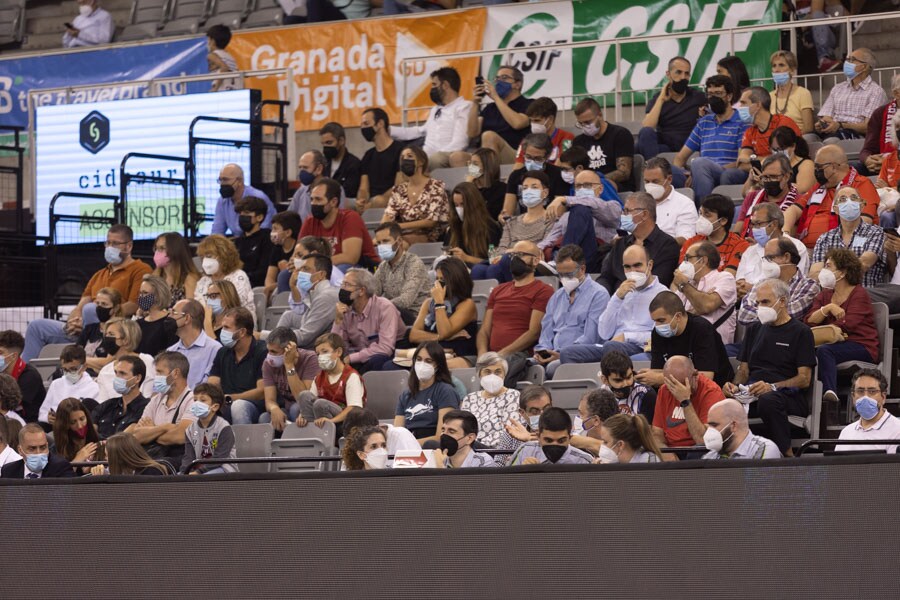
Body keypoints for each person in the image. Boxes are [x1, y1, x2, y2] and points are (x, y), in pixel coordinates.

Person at [22, 224, 151, 361]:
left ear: (128, 246)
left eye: (115, 243)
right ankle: (25, 374)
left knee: (91, 309)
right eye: (107, 243)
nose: (109, 247)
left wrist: (101, 316)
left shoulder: (140, 270)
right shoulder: (99, 274)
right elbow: (80, 306)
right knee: (36, 326)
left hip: (113, 331)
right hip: (84, 329)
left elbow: (134, 305)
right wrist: (75, 322)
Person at [727, 278, 815, 456]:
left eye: (765, 302)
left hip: (788, 396)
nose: (760, 307)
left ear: (782, 301)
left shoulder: (801, 331)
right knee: (721, 403)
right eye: (758, 303)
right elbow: (743, 371)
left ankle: (787, 455)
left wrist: (772, 387)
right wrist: (733, 386)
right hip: (752, 394)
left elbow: (804, 379)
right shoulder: (753, 329)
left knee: (768, 399)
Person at [561, 244, 668, 363]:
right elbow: (604, 332)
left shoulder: (662, 294)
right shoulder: (622, 292)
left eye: (637, 265)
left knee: (612, 347)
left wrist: (626, 337)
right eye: (627, 267)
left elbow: (660, 336)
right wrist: (617, 298)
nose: (632, 271)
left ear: (650, 265)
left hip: (640, 347)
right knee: (567, 353)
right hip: (611, 346)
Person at [806, 248, 880, 403]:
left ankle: (829, 395)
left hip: (861, 345)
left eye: (828, 266)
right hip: (832, 343)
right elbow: (809, 320)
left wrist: (826, 328)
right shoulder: (825, 295)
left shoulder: (859, 294)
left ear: (843, 272)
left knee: (825, 351)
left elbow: (849, 324)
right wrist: (827, 309)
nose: (824, 270)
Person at [476, 242, 553, 386]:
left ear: (536, 261)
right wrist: (482, 353)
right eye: (512, 255)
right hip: (493, 356)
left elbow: (533, 332)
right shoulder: (498, 290)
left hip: (520, 355)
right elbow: (484, 330)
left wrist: (501, 354)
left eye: (521, 255)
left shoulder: (543, 290)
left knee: (496, 372)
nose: (515, 259)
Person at [785, 145, 880, 250]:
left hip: (839, 250)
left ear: (834, 167)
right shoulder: (819, 187)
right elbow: (793, 210)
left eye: (818, 167)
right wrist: (785, 233)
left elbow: (864, 222)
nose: (815, 171)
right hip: (807, 250)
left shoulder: (861, 184)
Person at [534, 245, 610, 377]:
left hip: (579, 355)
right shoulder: (556, 297)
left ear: (582, 269)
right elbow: (546, 332)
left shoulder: (599, 294)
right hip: (552, 355)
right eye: (560, 274)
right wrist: (543, 351)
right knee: (526, 365)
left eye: (569, 274)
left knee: (553, 368)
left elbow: (590, 337)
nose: (564, 278)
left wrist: (562, 354)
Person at [672, 75, 748, 201]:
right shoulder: (704, 122)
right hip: (700, 170)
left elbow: (741, 162)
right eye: (710, 94)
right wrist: (692, 173)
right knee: (663, 169)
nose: (713, 98)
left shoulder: (742, 122)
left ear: (729, 96)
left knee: (699, 163)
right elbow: (680, 158)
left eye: (718, 93)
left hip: (724, 171)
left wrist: (704, 169)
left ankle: (703, 210)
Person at [473, 174, 554, 283]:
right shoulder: (511, 222)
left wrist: (514, 251)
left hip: (529, 262)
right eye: (525, 188)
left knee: (498, 265)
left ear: (545, 193)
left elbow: (541, 250)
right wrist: (509, 253)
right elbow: (501, 249)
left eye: (534, 187)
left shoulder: (551, 221)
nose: (528, 191)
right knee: (478, 269)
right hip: (505, 261)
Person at [642, 292, 733, 388]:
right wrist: (646, 376)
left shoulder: (702, 329)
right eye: (655, 321)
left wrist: (661, 379)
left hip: (714, 390)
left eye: (661, 320)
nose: (657, 326)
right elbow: (658, 369)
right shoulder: (657, 333)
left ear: (678, 316)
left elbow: (706, 377)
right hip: (673, 391)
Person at [596, 192, 681, 293]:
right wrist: (603, 294)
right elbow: (605, 277)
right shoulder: (620, 244)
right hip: (616, 300)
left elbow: (658, 282)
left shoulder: (667, 245)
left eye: (627, 211)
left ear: (644, 214)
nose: (623, 215)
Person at [539, 169, 623, 272]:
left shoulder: (612, 206)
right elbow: (550, 239)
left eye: (587, 185)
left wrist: (563, 199)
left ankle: (562, 260)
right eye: (578, 186)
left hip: (597, 258)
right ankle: (562, 261)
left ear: (600, 189)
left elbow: (594, 204)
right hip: (573, 259)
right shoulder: (567, 216)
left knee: (581, 209)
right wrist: (532, 251)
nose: (582, 189)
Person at [390, 67, 472, 169]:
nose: (432, 89)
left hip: (447, 156)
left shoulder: (464, 106)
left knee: (429, 161)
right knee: (403, 162)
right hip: (429, 157)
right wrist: (389, 130)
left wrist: (432, 157)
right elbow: (420, 131)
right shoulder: (435, 110)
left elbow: (460, 142)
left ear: (445, 85)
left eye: (434, 85)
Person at [809, 185, 886, 288]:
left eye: (854, 198)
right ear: (836, 209)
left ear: (861, 206)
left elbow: (864, 263)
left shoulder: (875, 232)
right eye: (843, 199)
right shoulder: (825, 239)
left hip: (865, 294)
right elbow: (814, 274)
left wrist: (830, 274)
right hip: (833, 295)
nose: (849, 202)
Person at [126, 351, 195, 465]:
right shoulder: (156, 400)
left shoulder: (192, 400)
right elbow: (137, 435)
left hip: (180, 460)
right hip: (153, 456)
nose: (156, 377)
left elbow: (181, 436)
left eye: (159, 372)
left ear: (175, 373)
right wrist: (165, 427)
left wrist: (152, 430)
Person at [332, 268, 406, 374]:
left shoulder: (385, 307)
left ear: (362, 290)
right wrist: (338, 321)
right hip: (360, 355)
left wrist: (351, 358)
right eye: (342, 284)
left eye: (347, 285)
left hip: (390, 354)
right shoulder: (345, 309)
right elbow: (337, 348)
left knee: (376, 361)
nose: (343, 289)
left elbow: (385, 348)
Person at [409, 257, 478, 367]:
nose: (438, 284)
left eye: (443, 280)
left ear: (456, 281)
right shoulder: (428, 303)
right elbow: (414, 335)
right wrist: (439, 337)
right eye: (437, 279)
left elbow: (444, 331)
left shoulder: (467, 304)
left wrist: (439, 303)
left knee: (435, 366)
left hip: (461, 356)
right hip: (433, 355)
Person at [651, 355, 724, 459]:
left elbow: (703, 441)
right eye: (672, 385)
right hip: (671, 450)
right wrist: (665, 453)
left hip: (697, 451)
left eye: (682, 384)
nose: (676, 390)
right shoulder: (665, 390)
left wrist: (685, 401)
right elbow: (657, 433)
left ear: (695, 375)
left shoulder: (711, 392)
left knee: (698, 452)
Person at [738, 237, 821, 326]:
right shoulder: (761, 284)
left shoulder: (808, 286)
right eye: (765, 259)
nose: (766, 263)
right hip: (760, 336)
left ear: (786, 257)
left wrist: (761, 313)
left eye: (770, 258)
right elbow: (744, 315)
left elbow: (791, 314)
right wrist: (771, 314)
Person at [300, 178, 378, 271]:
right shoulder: (310, 221)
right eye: (312, 199)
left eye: (318, 199)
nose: (313, 203)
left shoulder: (350, 218)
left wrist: (317, 264)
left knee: (339, 269)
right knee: (286, 275)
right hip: (323, 267)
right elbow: (300, 251)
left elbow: (350, 258)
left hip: (365, 268)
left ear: (333, 202)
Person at [637, 56, 706, 159]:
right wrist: (661, 99)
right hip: (667, 147)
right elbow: (647, 126)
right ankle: (654, 171)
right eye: (678, 72)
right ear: (668, 74)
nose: (683, 77)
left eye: (687, 74)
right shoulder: (658, 98)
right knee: (643, 137)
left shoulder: (698, 97)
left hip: (690, 146)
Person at [462, 65, 532, 166]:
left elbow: (518, 123)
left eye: (504, 78)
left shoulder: (528, 104)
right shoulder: (490, 108)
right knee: (458, 157)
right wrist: (475, 103)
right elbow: (472, 133)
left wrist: (495, 97)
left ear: (517, 84)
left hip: (516, 156)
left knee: (489, 136)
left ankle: (489, 179)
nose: (499, 81)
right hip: (486, 156)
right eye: (497, 78)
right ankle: (476, 179)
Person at [294, 333, 365, 430]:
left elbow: (354, 408)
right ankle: (311, 434)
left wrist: (331, 421)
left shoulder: (351, 376)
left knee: (320, 404)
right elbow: (308, 402)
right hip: (320, 419)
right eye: (318, 354)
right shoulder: (319, 377)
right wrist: (302, 415)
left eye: (325, 352)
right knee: (304, 395)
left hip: (346, 423)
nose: (321, 357)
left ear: (338, 352)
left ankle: (328, 435)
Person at [735, 202, 810, 295]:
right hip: (745, 302)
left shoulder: (796, 247)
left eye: (758, 224)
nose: (754, 229)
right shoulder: (750, 251)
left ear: (774, 224)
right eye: (753, 224)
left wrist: (753, 289)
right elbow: (739, 282)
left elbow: (795, 284)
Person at [208, 308, 267, 424]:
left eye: (226, 328)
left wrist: (231, 398)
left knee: (239, 406)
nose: (222, 332)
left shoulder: (262, 352)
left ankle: (243, 442)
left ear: (242, 332)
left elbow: (261, 391)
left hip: (256, 406)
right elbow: (213, 382)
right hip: (227, 404)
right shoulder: (223, 352)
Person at [815, 48, 888, 142]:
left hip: (857, 135)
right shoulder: (838, 88)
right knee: (807, 139)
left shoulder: (876, 92)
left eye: (852, 60)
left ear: (864, 67)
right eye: (847, 59)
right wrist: (824, 124)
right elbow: (826, 115)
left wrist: (841, 125)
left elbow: (868, 127)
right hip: (833, 131)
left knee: (830, 142)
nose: (847, 63)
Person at [382, 146, 450, 245]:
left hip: (431, 236)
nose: (405, 160)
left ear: (421, 161)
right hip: (402, 234)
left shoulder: (436, 186)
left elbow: (430, 221)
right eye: (402, 158)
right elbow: (388, 214)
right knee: (379, 242)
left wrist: (399, 226)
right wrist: (383, 228)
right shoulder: (398, 190)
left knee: (398, 243)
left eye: (409, 156)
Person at [394, 342, 459, 443]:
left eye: (428, 361)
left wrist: (410, 445)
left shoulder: (445, 391)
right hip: (409, 446)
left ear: (438, 365)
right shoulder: (405, 395)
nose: (422, 364)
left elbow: (441, 436)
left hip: (432, 447)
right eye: (419, 359)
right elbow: (397, 434)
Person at [675, 242, 738, 345]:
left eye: (688, 258)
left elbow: (706, 306)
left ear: (703, 260)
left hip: (714, 347)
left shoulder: (724, 278)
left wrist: (684, 285)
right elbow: (673, 314)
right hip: (687, 344)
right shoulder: (690, 282)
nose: (684, 263)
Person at [735, 86, 802, 178]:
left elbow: (786, 159)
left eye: (743, 103)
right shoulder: (749, 131)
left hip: (787, 173)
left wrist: (753, 159)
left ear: (758, 105)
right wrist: (763, 162)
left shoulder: (783, 123)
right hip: (761, 173)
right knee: (731, 174)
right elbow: (741, 163)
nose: (739, 107)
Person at [258, 328, 318, 431]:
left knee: (296, 409)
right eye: (268, 351)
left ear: (289, 349)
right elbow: (270, 400)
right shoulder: (267, 364)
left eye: (274, 351)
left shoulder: (310, 359)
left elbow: (303, 399)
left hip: (306, 409)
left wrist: (289, 365)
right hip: (286, 408)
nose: (270, 356)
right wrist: (274, 408)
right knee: (265, 418)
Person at [571, 97, 634, 192]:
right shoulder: (578, 141)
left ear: (600, 115)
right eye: (581, 124)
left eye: (588, 122)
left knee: (600, 186)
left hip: (616, 186)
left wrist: (594, 180)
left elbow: (623, 173)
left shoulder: (620, 134)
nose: (585, 126)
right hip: (586, 186)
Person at [277, 253, 340, 349]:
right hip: (311, 344)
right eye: (300, 269)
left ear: (321, 274)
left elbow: (304, 336)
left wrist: (268, 336)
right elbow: (301, 316)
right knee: (288, 315)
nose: (299, 274)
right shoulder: (314, 293)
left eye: (306, 269)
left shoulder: (326, 297)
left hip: (319, 351)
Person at [373, 222, 430, 325]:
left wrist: (378, 307)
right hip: (391, 313)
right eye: (379, 243)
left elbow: (405, 300)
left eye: (385, 241)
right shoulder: (383, 266)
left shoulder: (414, 263)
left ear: (399, 241)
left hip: (415, 318)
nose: (381, 246)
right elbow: (372, 294)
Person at [501, 133, 570, 218]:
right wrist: (503, 216)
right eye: (528, 157)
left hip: (549, 223)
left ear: (548, 156)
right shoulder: (515, 176)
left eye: (538, 158)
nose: (532, 162)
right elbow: (507, 210)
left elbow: (560, 211)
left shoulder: (558, 175)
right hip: (523, 222)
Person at [679, 193, 750, 275]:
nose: (701, 219)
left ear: (723, 220)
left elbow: (727, 277)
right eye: (700, 214)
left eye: (707, 215)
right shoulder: (692, 242)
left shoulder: (739, 245)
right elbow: (680, 275)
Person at [459, 353, 520, 448]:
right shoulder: (470, 398)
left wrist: (476, 444)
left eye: (498, 372)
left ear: (504, 374)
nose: (492, 376)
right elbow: (463, 428)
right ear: (479, 374)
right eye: (487, 372)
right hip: (469, 447)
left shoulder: (513, 395)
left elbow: (509, 431)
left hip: (495, 449)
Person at [735, 154, 802, 239]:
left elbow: (790, 236)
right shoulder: (752, 197)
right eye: (765, 177)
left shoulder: (798, 201)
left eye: (774, 177)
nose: (769, 181)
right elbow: (737, 231)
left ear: (787, 176)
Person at [838, 368, 900, 453]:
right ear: (853, 396)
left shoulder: (897, 430)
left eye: (872, 391)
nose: (865, 397)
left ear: (883, 397)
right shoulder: (846, 432)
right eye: (860, 391)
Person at [94, 318, 156, 402]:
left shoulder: (147, 361)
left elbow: (152, 394)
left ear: (125, 340)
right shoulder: (105, 371)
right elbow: (102, 404)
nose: (107, 338)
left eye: (111, 334)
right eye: (106, 335)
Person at [181, 382, 237, 475]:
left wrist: (199, 472)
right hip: (199, 471)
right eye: (195, 400)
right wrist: (184, 472)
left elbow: (220, 457)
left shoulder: (224, 427)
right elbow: (188, 457)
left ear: (214, 407)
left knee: (203, 479)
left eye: (202, 400)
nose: (197, 403)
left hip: (224, 469)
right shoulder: (190, 430)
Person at [38, 345, 99, 428]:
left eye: (73, 369)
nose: (69, 373)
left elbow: (95, 417)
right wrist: (48, 418)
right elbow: (43, 412)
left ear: (84, 367)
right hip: (56, 427)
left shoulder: (94, 388)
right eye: (65, 370)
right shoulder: (56, 384)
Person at [356, 107, 404, 212]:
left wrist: (376, 203)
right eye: (361, 125)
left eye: (366, 123)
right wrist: (361, 200)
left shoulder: (401, 151)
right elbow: (363, 188)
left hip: (392, 203)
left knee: (379, 201)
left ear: (380, 124)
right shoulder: (368, 155)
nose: (363, 128)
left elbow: (399, 187)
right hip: (371, 203)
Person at [92, 355, 150, 440]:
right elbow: (90, 432)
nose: (117, 378)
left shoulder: (146, 408)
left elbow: (122, 441)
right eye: (116, 373)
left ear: (137, 378)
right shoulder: (107, 405)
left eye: (122, 373)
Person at [445, 182, 503, 267]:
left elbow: (494, 262)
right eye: (456, 205)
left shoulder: (491, 228)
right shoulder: (454, 228)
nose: (459, 209)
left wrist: (467, 258)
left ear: (473, 204)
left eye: (462, 204)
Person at [509, 407, 593, 465]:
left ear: (569, 438)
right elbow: (506, 486)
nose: (555, 445)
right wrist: (521, 474)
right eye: (548, 440)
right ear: (538, 437)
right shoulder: (524, 452)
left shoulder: (583, 461)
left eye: (561, 441)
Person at [167, 299, 221, 389]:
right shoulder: (170, 351)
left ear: (187, 318)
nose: (169, 316)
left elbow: (209, 388)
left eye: (173, 312)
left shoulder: (215, 349)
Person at [701, 398, 781, 459]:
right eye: (709, 426)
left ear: (733, 426)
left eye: (714, 425)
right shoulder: (711, 457)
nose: (709, 431)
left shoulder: (763, 449)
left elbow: (759, 481)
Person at [643, 157, 696, 245]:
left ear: (669, 179)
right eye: (647, 182)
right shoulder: (639, 202)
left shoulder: (685, 204)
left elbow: (686, 239)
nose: (650, 185)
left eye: (655, 181)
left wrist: (656, 243)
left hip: (667, 252)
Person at [494, 384, 552, 465]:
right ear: (522, 413)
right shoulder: (510, 436)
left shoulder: (562, 431)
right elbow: (498, 469)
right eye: (535, 411)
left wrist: (533, 441)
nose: (543, 414)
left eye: (547, 409)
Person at [211, 163, 275, 237]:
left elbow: (265, 231)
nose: (222, 184)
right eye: (220, 180)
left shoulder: (258, 198)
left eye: (225, 180)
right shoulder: (222, 201)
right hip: (239, 242)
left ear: (240, 181)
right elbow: (217, 231)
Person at [512, 97, 574, 167]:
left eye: (537, 120)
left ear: (550, 119)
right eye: (531, 121)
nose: (533, 124)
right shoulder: (526, 141)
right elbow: (518, 165)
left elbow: (560, 165)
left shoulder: (566, 137)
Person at [860, 75, 900, 178]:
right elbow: (867, 149)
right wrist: (868, 160)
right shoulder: (880, 113)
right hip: (881, 164)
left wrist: (889, 161)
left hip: (894, 162)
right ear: (896, 93)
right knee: (851, 168)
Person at [0, 331, 44, 423]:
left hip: (28, 426)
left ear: (13, 356)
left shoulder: (30, 376)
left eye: (0, 352)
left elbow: (8, 406)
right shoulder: (3, 372)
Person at [1, 424, 75, 479]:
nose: (39, 453)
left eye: (43, 447)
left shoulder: (61, 468)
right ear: (20, 450)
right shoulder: (9, 471)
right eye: (32, 449)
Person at [600, 350, 656, 421]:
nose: (626, 384)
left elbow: (649, 430)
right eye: (618, 380)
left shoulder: (646, 394)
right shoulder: (602, 394)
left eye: (629, 377)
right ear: (605, 380)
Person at [341, 407, 420, 457]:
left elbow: (414, 476)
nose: (357, 444)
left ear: (376, 428)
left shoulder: (401, 436)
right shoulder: (353, 444)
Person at [769, 50, 815, 135]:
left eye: (781, 65)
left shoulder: (803, 93)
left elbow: (808, 128)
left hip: (797, 139)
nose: (776, 70)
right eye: (774, 66)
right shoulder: (769, 96)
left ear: (792, 70)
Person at [433, 410, 499, 469]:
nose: (444, 435)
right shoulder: (437, 458)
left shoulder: (483, 462)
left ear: (470, 438)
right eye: (443, 430)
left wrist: (441, 468)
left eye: (451, 431)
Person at [233, 196, 274, 288]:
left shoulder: (267, 238)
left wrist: (242, 278)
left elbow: (264, 270)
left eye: (247, 213)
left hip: (256, 286)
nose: (242, 216)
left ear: (259, 217)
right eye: (241, 213)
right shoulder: (237, 241)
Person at [134, 275, 178, 358]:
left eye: (145, 293)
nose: (141, 297)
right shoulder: (138, 323)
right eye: (140, 293)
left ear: (158, 295)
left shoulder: (170, 323)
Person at [80, 287, 122, 371]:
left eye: (104, 304)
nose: (100, 307)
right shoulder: (89, 328)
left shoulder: (119, 331)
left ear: (116, 308)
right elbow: (75, 353)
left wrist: (82, 360)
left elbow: (106, 362)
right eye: (97, 304)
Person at [52, 397, 102, 467]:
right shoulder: (55, 451)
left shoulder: (99, 440)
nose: (80, 426)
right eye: (73, 422)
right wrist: (77, 461)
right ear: (64, 425)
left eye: (82, 419)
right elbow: (60, 476)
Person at [89, 432, 169, 476]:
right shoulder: (118, 472)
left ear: (120, 458)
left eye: (107, 455)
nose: (105, 459)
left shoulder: (152, 472)